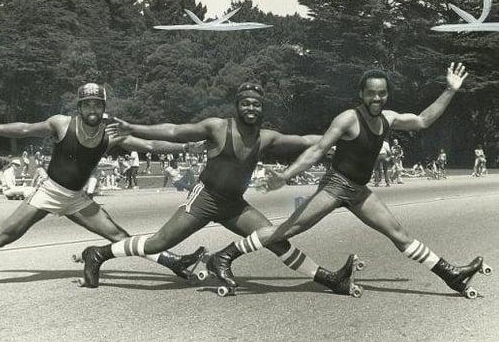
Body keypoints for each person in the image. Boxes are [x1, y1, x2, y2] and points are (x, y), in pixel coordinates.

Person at [208, 63, 485, 298]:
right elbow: (316, 150)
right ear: (362, 94)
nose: (377, 99)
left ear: (387, 94)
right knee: (287, 230)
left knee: (399, 234)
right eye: (371, 94)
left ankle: (452, 276)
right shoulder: (348, 119)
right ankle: (224, 256)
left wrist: (450, 90)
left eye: (382, 93)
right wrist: (285, 176)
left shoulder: (389, 119)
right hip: (335, 185)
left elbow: (423, 120)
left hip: (359, 191)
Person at [0, 83, 203, 285]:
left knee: (119, 236)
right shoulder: (61, 123)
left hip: (77, 198)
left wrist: (183, 148)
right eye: (86, 104)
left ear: (103, 106)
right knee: (0, 238)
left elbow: (150, 144)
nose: (92, 109)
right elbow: (24, 129)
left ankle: (172, 262)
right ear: (79, 106)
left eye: (97, 104)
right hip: (49, 191)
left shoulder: (112, 132)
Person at [77, 82, 356, 294]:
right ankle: (99, 254)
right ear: (237, 105)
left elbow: (304, 139)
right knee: (158, 243)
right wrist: (133, 127)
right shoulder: (217, 127)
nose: (251, 108)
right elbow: (174, 130)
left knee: (275, 238)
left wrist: (341, 137)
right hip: (204, 199)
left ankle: (329, 279)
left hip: (234, 205)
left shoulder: (266, 137)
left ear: (262, 108)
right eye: (245, 103)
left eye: (256, 105)